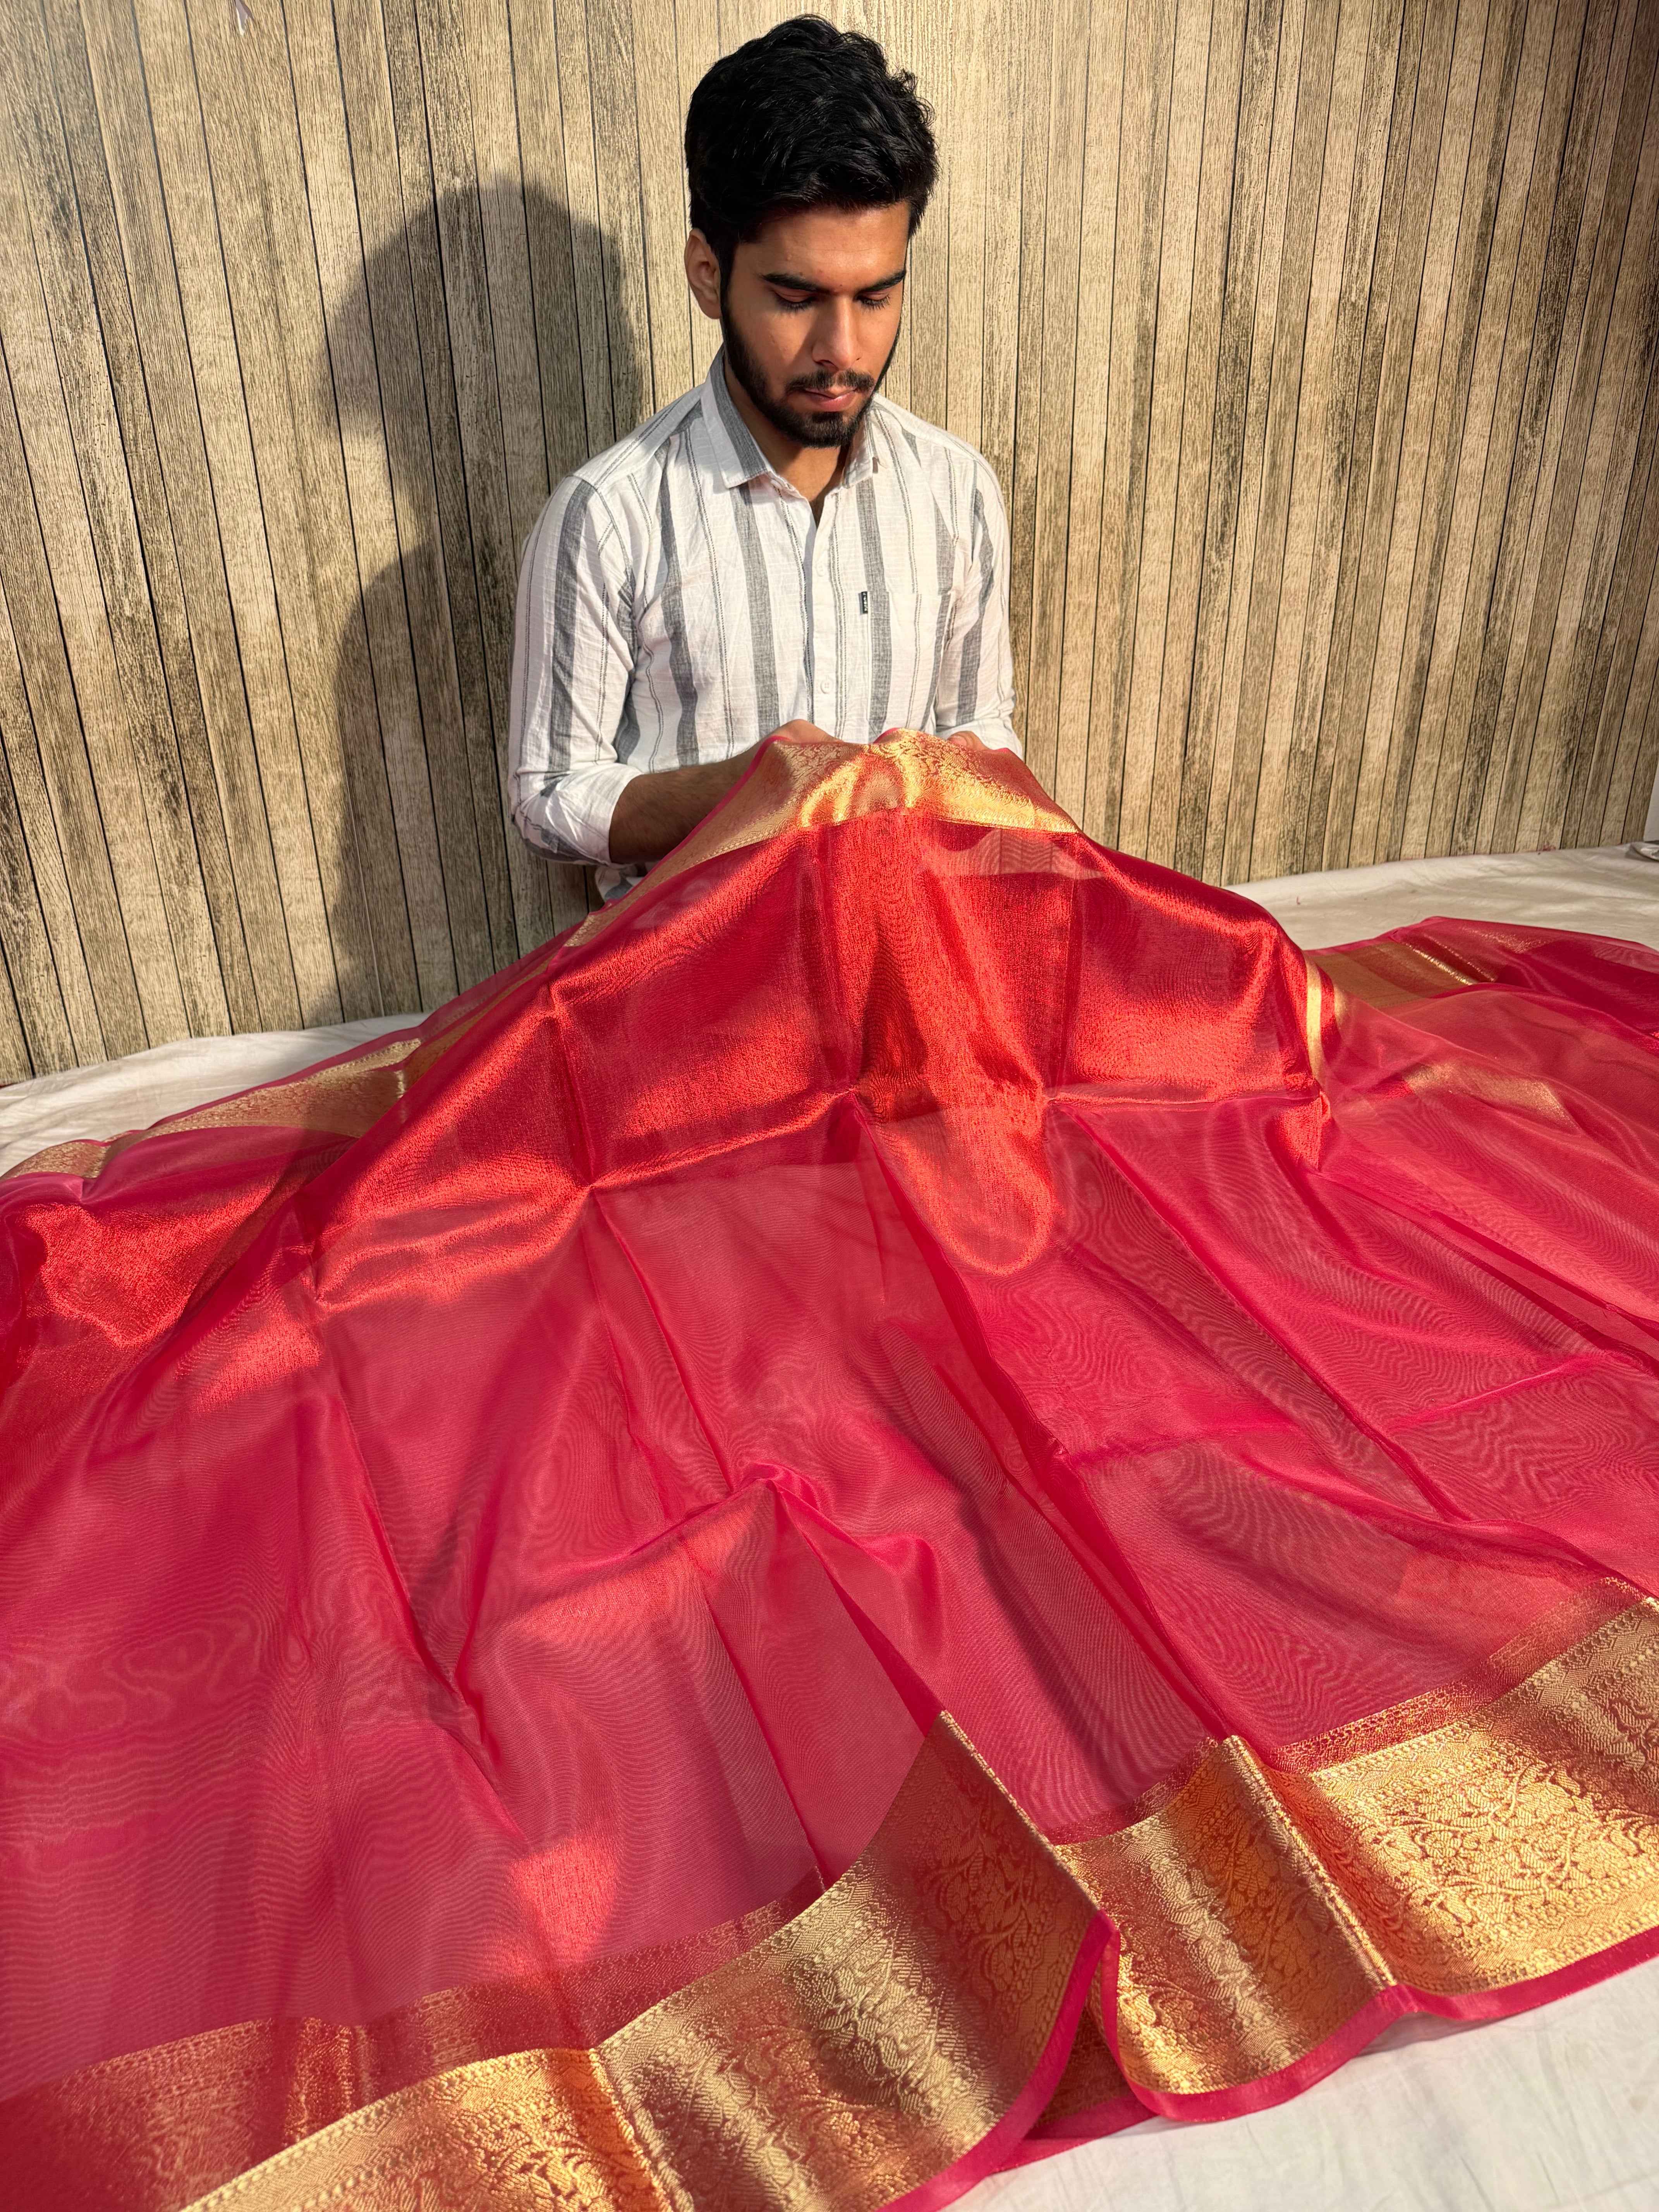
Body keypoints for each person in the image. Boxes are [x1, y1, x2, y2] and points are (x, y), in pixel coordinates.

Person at [507, 15, 1018, 902]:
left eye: (877, 294)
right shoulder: (610, 515)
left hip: (904, 964)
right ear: (709, 275)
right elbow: (549, 798)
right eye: (795, 297)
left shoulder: (956, 492)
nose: (843, 348)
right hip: (691, 987)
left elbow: (982, 732)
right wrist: (748, 792)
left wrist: (950, 779)